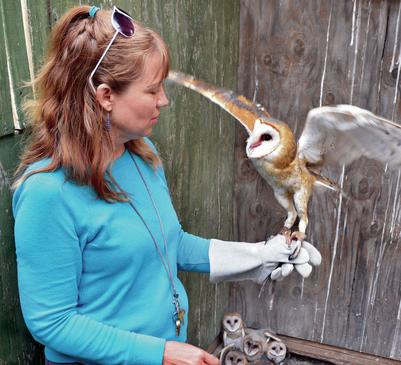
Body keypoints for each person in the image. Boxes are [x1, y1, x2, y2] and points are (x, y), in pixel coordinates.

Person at [12, 5, 321, 365]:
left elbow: (170, 244)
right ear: (106, 96)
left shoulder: (142, 157)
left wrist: (260, 257)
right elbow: (52, 322)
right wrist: (160, 354)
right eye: (152, 90)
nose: (164, 100)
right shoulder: (48, 194)